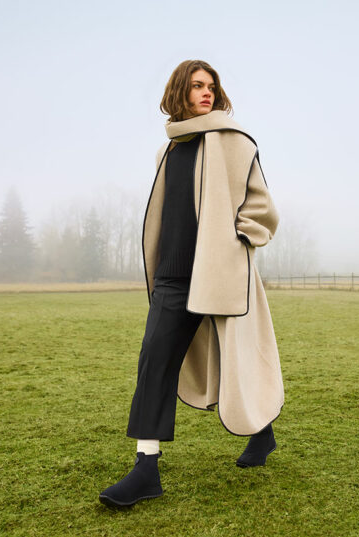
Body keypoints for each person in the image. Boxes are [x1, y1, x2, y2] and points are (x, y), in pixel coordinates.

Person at [99, 60, 283, 508]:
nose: (206, 93)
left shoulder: (234, 141)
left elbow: (262, 210)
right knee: (154, 364)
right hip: (172, 279)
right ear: (179, 92)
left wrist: (236, 244)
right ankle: (146, 469)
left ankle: (261, 434)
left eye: (211, 86)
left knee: (234, 358)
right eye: (197, 86)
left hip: (220, 276)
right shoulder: (169, 149)